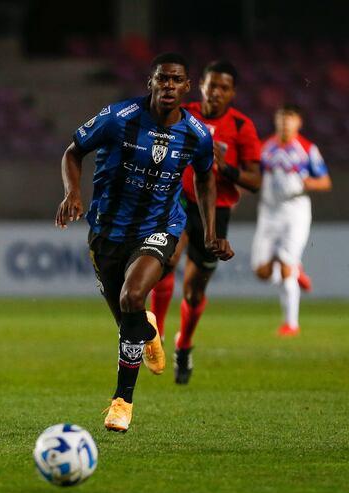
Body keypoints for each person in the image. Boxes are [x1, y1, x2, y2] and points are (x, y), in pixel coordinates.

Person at [56, 52, 234, 433]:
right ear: (150, 83)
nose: (168, 85)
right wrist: (72, 193)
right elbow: (73, 151)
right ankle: (148, 331)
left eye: (176, 80)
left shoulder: (197, 135)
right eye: (162, 79)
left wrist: (210, 231)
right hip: (107, 230)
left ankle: (122, 402)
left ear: (187, 87)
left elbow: (206, 178)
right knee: (129, 322)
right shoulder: (118, 118)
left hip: (160, 226)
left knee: (133, 297)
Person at [149, 60, 262, 385]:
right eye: (211, 85)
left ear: (232, 93)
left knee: (195, 293)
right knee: (166, 260)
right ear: (201, 85)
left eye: (223, 87)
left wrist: (225, 168)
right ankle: (156, 336)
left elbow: (255, 181)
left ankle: (183, 345)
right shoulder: (184, 115)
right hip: (178, 202)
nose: (216, 92)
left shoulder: (241, 126)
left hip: (216, 212)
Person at [251, 104, 332, 336]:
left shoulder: (307, 149)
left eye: (290, 119)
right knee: (262, 272)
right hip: (268, 214)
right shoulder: (265, 148)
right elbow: (255, 176)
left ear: (298, 123)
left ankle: (291, 324)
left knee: (285, 264)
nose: (285, 123)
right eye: (281, 119)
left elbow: (325, 181)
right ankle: (295, 268)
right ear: (276, 122)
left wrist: (311, 183)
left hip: (295, 214)